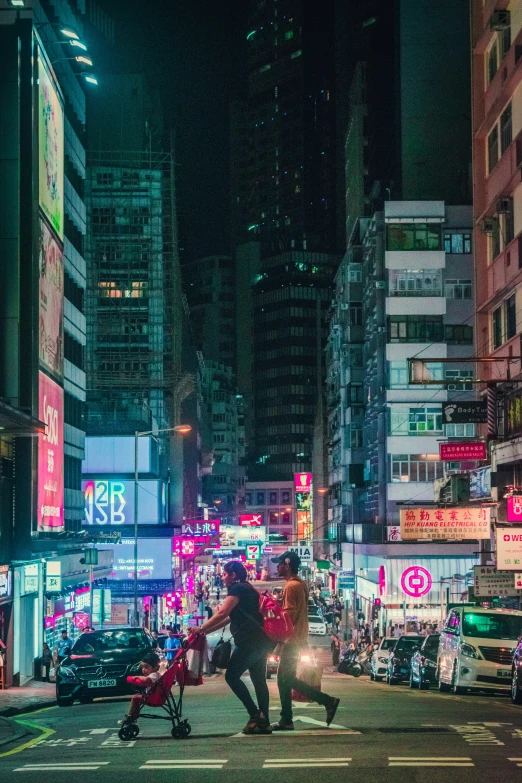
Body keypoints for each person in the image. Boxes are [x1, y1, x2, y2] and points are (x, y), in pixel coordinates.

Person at [194, 560, 274, 735]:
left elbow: (222, 612)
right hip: (261, 641)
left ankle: (255, 715)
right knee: (259, 680)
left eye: (224, 574)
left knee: (231, 676)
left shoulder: (237, 589)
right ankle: (264, 721)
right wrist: (204, 632)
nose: (222, 577)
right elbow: (228, 618)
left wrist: (201, 628)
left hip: (249, 642)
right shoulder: (248, 588)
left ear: (233, 575)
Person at [271, 552, 340, 731]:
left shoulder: (291, 586)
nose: (276, 567)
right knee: (285, 679)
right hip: (298, 638)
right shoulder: (300, 584)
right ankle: (287, 718)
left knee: (284, 678)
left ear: (287, 565)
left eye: (279, 564)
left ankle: (326, 701)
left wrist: (279, 636)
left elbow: (290, 615)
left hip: (292, 639)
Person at [121, 652, 162, 724]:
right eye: (142, 667)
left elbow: (146, 680)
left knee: (135, 698)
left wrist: (137, 677)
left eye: (146, 667)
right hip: (154, 696)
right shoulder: (155, 675)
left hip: (152, 698)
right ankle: (133, 716)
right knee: (137, 696)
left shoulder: (154, 675)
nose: (143, 669)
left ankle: (130, 716)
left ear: (155, 667)